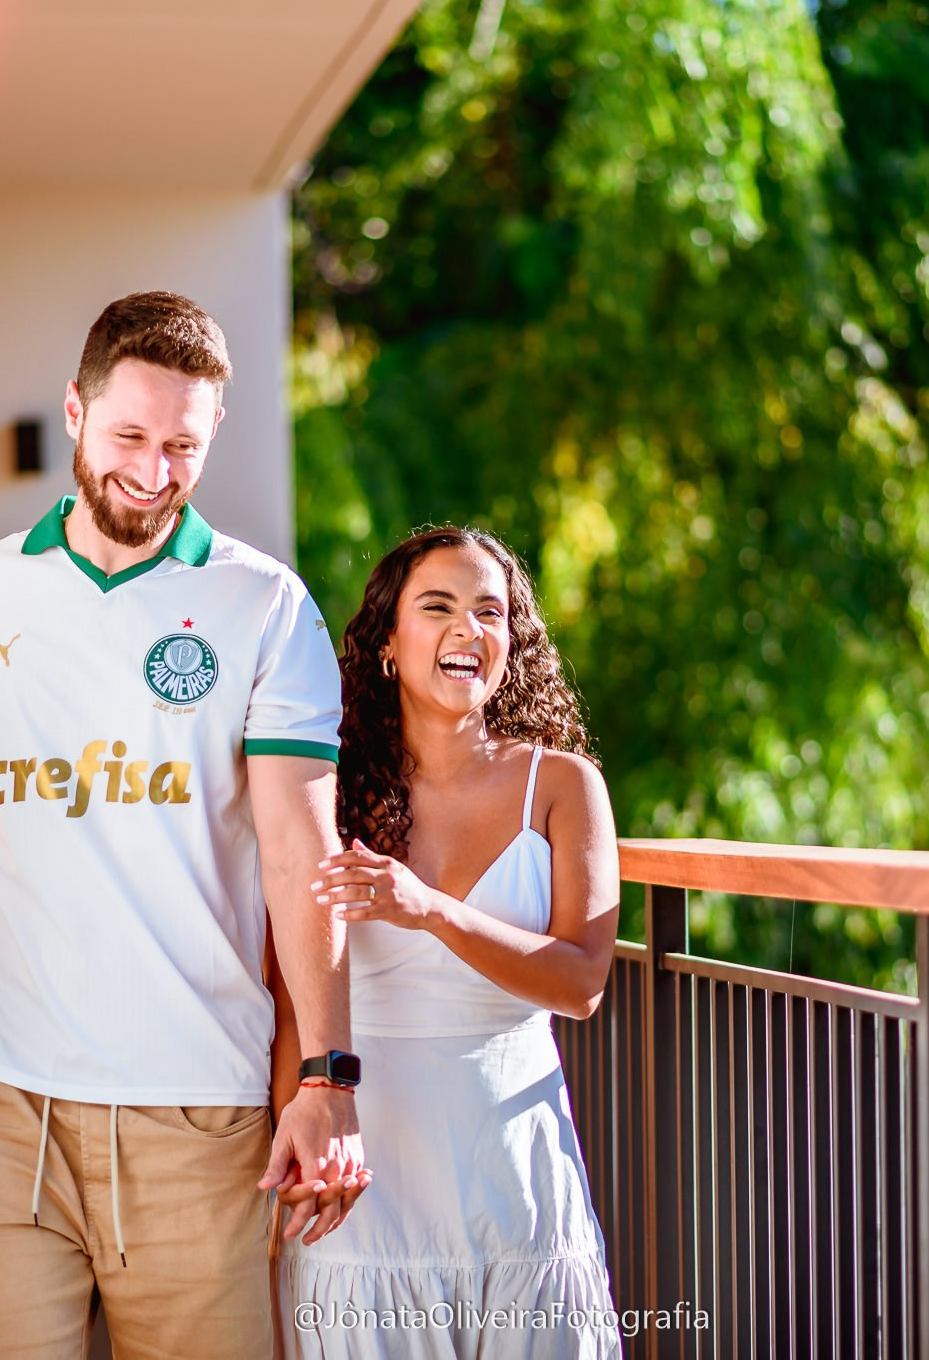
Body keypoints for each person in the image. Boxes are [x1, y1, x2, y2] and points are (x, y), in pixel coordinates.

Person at [0, 291, 368, 1360]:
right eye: (129, 434)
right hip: (5, 1108)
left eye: (181, 443)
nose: (152, 467)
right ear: (76, 413)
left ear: (213, 431)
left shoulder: (265, 605)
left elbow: (297, 849)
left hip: (199, 1117)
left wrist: (325, 1076)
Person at [277, 528, 622, 1359]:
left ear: (513, 644)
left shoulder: (564, 786)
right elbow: (289, 995)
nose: (469, 627)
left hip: (516, 1185)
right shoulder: (325, 794)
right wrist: (277, 1171)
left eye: (490, 611)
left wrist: (429, 908)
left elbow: (581, 982)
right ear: (389, 642)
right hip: (364, 1189)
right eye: (439, 607)